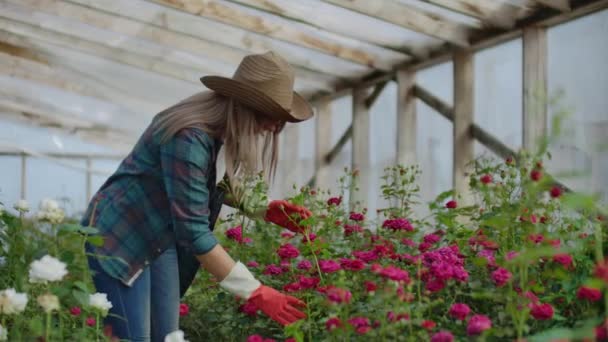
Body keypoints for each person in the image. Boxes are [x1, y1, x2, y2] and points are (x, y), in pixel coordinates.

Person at [81, 51, 313, 341]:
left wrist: (261, 208)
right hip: (120, 237)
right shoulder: (189, 136)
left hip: (158, 237)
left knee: (167, 336)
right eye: (271, 117)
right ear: (244, 106)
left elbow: (206, 182)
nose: (273, 128)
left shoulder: (217, 129)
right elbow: (194, 232)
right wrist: (257, 292)